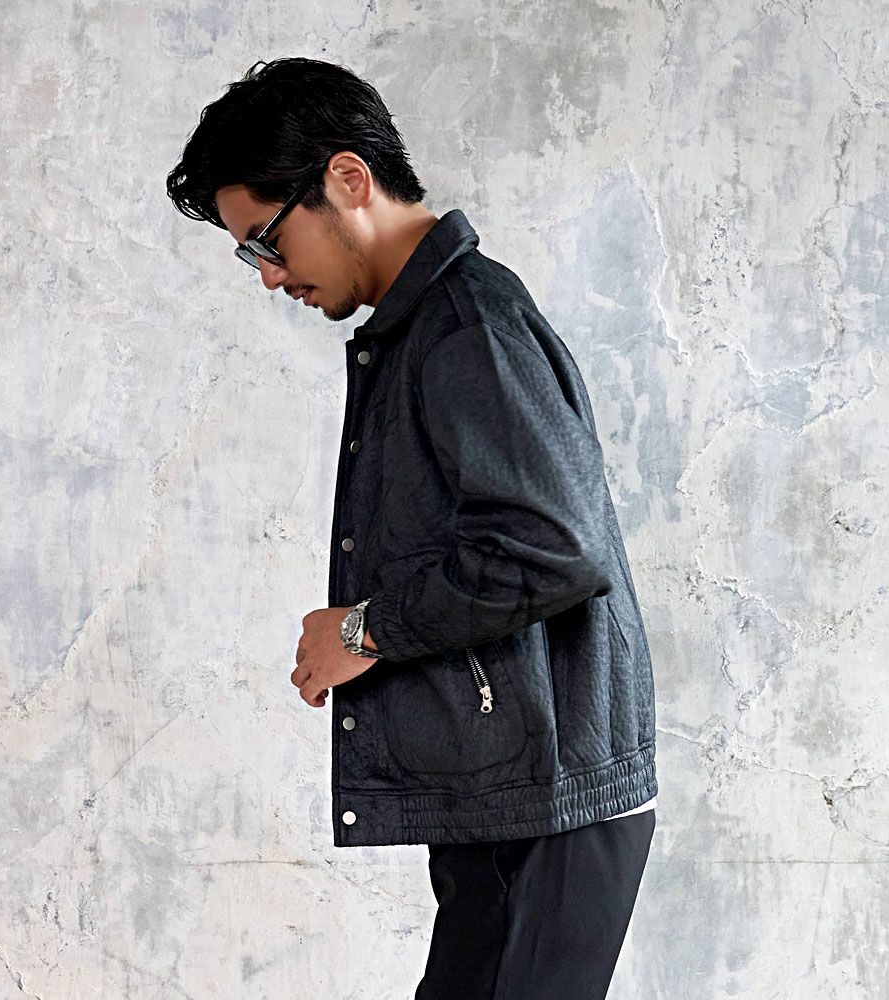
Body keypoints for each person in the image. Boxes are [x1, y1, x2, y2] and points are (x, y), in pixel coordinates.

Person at [167, 56, 658, 1000]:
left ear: (349, 180)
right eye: (250, 256)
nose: (269, 277)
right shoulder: (423, 328)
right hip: (519, 795)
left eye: (267, 241)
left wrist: (365, 631)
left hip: (549, 807)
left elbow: (556, 549)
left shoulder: (468, 327)